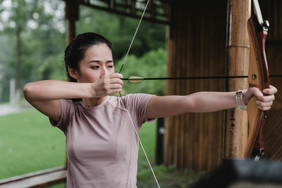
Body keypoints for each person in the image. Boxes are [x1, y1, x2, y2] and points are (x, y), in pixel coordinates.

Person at [23, 32, 277, 188]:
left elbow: (190, 102)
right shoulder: (69, 114)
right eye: (95, 66)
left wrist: (242, 97)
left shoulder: (130, 106)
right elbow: (31, 91)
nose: (106, 73)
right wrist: (92, 91)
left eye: (110, 65)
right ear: (73, 72)